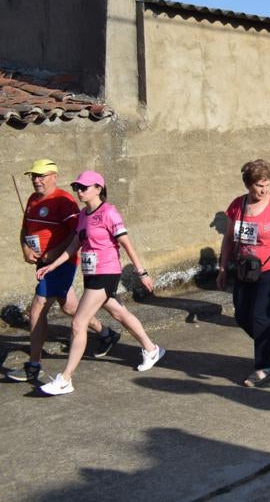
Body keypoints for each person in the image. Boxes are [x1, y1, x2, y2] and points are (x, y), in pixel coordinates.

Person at [35, 171, 164, 395]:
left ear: (98, 188)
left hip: (107, 272)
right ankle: (151, 349)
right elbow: (74, 245)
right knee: (118, 313)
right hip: (91, 273)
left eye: (84, 187)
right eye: (77, 187)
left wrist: (142, 272)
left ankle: (65, 379)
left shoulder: (109, 212)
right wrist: (52, 265)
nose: (79, 191)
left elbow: (127, 244)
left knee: (78, 323)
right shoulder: (83, 215)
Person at [9, 160, 111, 383]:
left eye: (41, 175)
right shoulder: (32, 200)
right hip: (42, 262)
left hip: (61, 263)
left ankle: (33, 366)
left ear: (54, 176)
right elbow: (25, 228)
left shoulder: (64, 200)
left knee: (38, 308)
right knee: (70, 307)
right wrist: (25, 249)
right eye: (33, 176)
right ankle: (106, 333)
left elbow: (76, 234)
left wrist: (54, 253)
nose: (36, 180)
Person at [215, 160, 270, 385]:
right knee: (241, 315)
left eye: (267, 185)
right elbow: (229, 239)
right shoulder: (237, 206)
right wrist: (223, 268)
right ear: (249, 184)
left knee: (260, 317)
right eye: (260, 185)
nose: (264, 190)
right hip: (245, 268)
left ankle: (263, 367)